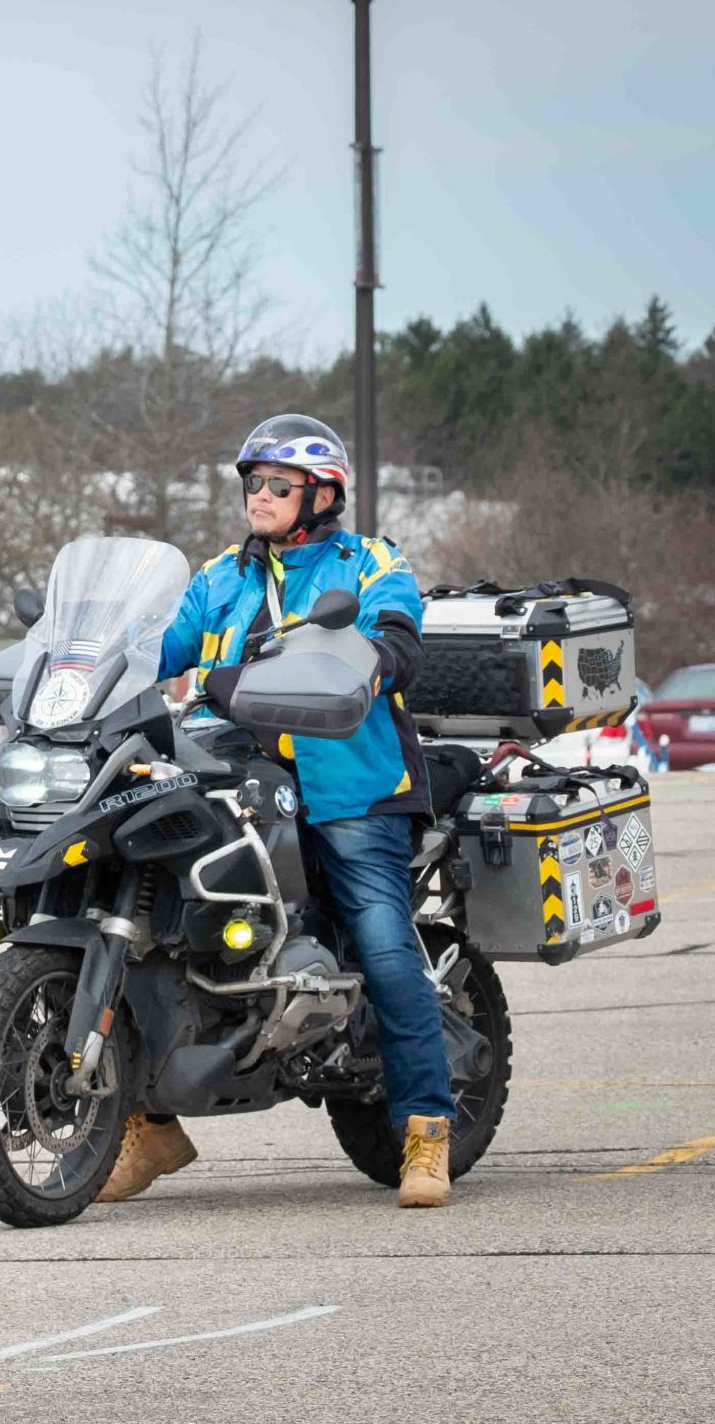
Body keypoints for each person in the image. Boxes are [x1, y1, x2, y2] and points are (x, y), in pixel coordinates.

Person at [113, 413, 453, 1209]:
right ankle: (149, 1123)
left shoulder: (369, 561)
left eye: (276, 485)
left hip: (349, 788)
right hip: (232, 779)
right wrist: (89, 653)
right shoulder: (221, 575)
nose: (257, 496)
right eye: (251, 483)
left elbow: (399, 637)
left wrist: (378, 661)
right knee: (151, 927)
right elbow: (160, 643)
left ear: (321, 494)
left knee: (381, 938)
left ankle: (427, 1129)